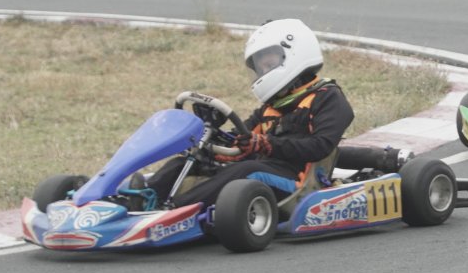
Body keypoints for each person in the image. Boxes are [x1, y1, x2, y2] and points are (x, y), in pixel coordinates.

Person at [146, 18, 356, 208]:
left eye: (269, 64)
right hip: (262, 167)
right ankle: (140, 198)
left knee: (244, 172)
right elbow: (242, 137)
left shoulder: (327, 97)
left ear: (294, 54)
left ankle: (175, 211)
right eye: (260, 67)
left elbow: (320, 146)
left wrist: (267, 144)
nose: (264, 71)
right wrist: (211, 142)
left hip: (298, 181)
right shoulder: (273, 105)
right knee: (185, 163)